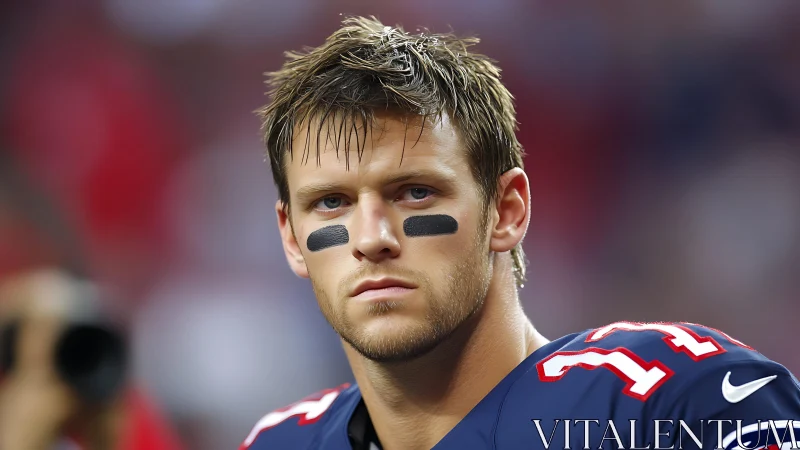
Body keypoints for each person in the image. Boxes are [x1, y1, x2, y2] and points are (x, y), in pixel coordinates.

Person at [241, 16, 800, 450]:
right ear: (292, 237)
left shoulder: (674, 403)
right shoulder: (280, 442)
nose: (371, 237)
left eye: (414, 191)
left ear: (506, 211)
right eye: (331, 202)